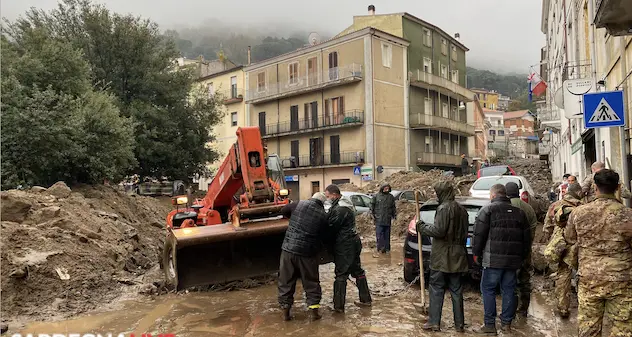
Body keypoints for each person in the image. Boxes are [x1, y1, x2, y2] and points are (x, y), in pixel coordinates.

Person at [565, 169, 632, 337]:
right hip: (621, 279)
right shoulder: (628, 215)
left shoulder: (578, 213)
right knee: (623, 328)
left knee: (589, 328)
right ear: (617, 188)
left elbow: (570, 238)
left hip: (589, 278)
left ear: (595, 187)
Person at [473, 184, 531, 334]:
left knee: (488, 289)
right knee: (509, 290)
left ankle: (490, 325)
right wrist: (522, 257)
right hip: (512, 262)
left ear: (493, 195)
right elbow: (527, 239)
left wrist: (476, 254)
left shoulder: (487, 210)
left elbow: (478, 235)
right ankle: (506, 324)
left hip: (492, 260)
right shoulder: (520, 213)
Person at [415, 181, 469, 332]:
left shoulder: (443, 208)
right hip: (458, 256)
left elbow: (439, 231)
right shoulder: (462, 210)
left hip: (442, 257)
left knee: (436, 288)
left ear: (442, 193)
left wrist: (422, 227)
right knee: (457, 291)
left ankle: (434, 322)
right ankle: (459, 325)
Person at [277, 192, 328, 321]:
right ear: (322, 204)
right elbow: (323, 236)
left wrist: (292, 219)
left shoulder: (299, 204)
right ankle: (314, 313)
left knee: (286, 281)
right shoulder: (323, 216)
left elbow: (283, 210)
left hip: (288, 250)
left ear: (312, 198)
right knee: (311, 282)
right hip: (307, 254)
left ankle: (285, 313)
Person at [324, 185, 372, 313]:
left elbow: (332, 227)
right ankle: (365, 299)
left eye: (328, 196)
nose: (327, 199)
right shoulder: (344, 205)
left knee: (341, 274)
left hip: (345, 244)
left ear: (334, 195)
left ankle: (338, 307)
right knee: (357, 270)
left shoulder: (341, 209)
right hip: (353, 241)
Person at [544, 183, 583, 318]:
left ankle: (563, 307)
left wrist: (551, 241)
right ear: (578, 192)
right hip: (580, 244)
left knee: (563, 274)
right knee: (582, 273)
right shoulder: (583, 207)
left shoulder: (555, 205)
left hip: (562, 245)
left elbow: (547, 226)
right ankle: (584, 303)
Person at [505, 182, 537, 318]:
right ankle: (524, 309)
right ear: (518, 192)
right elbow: (533, 228)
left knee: (509, 280)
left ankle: (510, 309)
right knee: (524, 280)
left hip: (508, 251)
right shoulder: (528, 208)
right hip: (525, 250)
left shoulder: (505, 207)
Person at [370, 183, 396, 255]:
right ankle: (380, 249)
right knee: (379, 235)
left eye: (388, 188)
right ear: (382, 188)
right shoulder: (376, 196)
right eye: (385, 188)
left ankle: (387, 249)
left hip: (387, 219)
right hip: (379, 219)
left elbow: (393, 208)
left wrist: (394, 216)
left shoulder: (391, 197)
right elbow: (372, 206)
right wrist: (372, 215)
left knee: (387, 236)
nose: (386, 190)